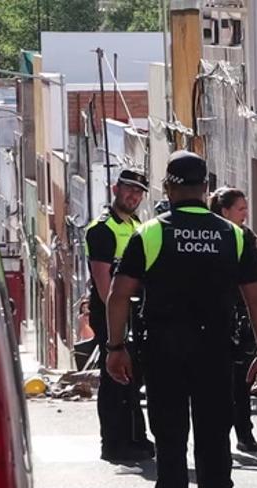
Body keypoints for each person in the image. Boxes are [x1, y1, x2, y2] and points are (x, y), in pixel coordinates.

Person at [105, 151, 257, 488]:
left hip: (163, 353)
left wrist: (116, 347)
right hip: (215, 352)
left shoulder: (150, 233)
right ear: (206, 188)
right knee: (214, 436)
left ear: (167, 188)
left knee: (169, 441)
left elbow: (118, 294)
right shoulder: (235, 236)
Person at [84, 168, 153, 462]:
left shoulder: (137, 224)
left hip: (135, 313)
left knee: (132, 378)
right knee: (115, 380)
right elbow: (103, 284)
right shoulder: (103, 229)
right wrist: (118, 322)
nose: (133, 195)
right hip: (114, 315)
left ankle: (134, 436)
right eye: (128, 189)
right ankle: (113, 443)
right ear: (115, 189)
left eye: (139, 191)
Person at [209, 187, 257, 453]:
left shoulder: (247, 237)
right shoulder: (212, 237)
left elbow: (256, 283)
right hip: (217, 318)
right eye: (240, 209)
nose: (245, 214)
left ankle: (244, 433)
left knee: (241, 381)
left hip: (241, 318)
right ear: (225, 211)